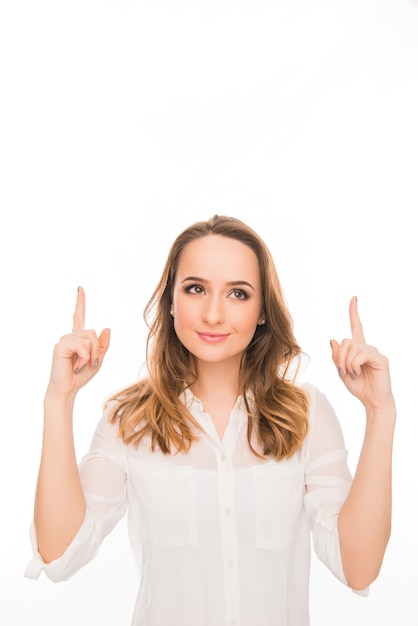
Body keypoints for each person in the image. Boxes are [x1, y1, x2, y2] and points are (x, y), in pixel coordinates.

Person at [25, 215, 396, 625]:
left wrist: (381, 414)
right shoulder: (128, 420)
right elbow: (58, 554)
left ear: (261, 311)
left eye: (238, 293)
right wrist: (59, 399)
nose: (214, 314)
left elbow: (358, 568)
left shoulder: (306, 416)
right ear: (170, 300)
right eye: (196, 289)